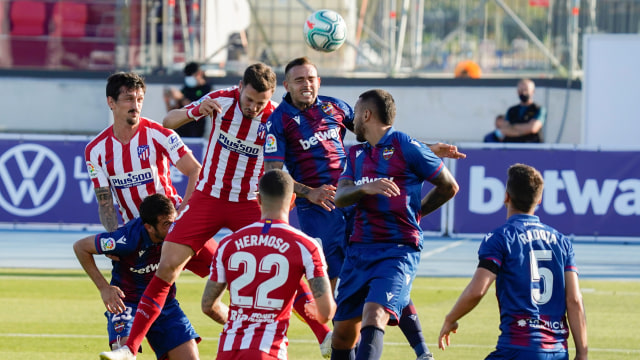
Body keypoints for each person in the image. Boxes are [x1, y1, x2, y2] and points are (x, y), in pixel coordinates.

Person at [100, 63, 332, 360]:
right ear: (239, 87)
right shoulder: (221, 99)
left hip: (249, 202)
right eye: (248, 100)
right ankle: (129, 349)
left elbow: (286, 165)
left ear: (272, 96)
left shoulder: (278, 116)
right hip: (207, 199)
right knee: (167, 266)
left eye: (260, 103)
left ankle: (325, 337)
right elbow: (169, 120)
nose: (253, 108)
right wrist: (193, 112)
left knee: (283, 261)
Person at [264, 57, 464, 360]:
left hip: (356, 201)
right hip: (320, 210)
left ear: (319, 81)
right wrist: (310, 192)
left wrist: (427, 149)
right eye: (300, 80)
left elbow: (378, 135)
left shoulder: (335, 107)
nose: (307, 84)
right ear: (287, 85)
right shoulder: (278, 122)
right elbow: (274, 174)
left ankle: (421, 351)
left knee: (385, 273)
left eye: (312, 78)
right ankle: (345, 343)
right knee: (336, 285)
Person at [331, 89, 459, 360]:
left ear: (367, 114)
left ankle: (421, 351)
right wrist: (365, 189)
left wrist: (418, 212)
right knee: (342, 334)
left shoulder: (405, 145)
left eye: (357, 111)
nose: (353, 120)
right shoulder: (355, 154)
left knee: (374, 314)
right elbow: (340, 197)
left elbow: (449, 186)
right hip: (358, 251)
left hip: (397, 249)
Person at [438, 163, 588, 360]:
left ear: (506, 197)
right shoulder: (562, 242)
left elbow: (477, 290)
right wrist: (582, 354)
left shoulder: (500, 238)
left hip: (518, 348)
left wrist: (451, 318)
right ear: (539, 200)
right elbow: (575, 300)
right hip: (558, 351)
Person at [85, 71, 214, 279]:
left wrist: (184, 215)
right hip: (137, 234)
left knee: (224, 273)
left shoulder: (160, 134)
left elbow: (195, 170)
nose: (135, 105)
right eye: (128, 99)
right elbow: (105, 201)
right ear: (111, 102)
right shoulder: (96, 150)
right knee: (136, 300)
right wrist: (113, 237)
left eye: (139, 99)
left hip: (174, 225)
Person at [201, 169, 336, 360]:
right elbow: (326, 312)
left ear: (258, 200)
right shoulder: (305, 246)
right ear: (292, 201)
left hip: (227, 351)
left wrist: (242, 321)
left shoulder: (228, 244)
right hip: (268, 351)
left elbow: (208, 306)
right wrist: (317, 311)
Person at [74, 194, 200, 360]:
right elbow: (81, 247)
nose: (172, 228)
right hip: (127, 304)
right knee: (122, 354)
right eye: (165, 224)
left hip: (165, 304)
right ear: (149, 227)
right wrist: (104, 288)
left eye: (173, 222)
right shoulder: (125, 240)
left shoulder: (179, 233)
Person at [163, 62, 212, 138]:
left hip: (196, 133)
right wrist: (167, 100)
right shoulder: (185, 89)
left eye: (190, 75)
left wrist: (181, 97)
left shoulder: (207, 89)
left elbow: (197, 108)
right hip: (180, 132)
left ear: (199, 74)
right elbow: (173, 112)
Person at [498, 79, 546, 143]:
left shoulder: (538, 109)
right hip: (512, 147)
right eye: (521, 90)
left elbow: (533, 128)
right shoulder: (511, 110)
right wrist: (523, 130)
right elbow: (504, 129)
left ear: (532, 91)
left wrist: (513, 127)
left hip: (531, 148)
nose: (523, 93)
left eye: (526, 90)